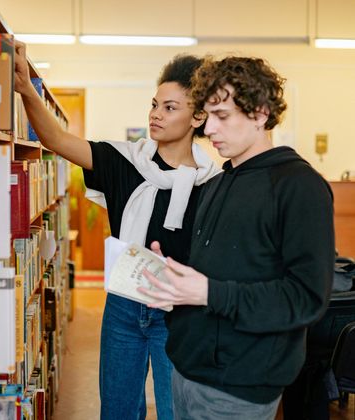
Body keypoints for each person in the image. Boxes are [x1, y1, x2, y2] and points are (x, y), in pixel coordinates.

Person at [14, 42, 219, 420]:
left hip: (179, 314)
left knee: (178, 411)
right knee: (118, 410)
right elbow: (55, 141)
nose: (156, 115)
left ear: (198, 117)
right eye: (154, 104)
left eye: (170, 107)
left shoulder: (213, 186)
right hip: (124, 307)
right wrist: (27, 90)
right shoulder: (125, 160)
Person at [139, 55, 335, 420]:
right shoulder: (216, 183)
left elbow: (306, 298)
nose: (209, 129)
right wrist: (170, 275)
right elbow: (219, 268)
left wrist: (207, 292)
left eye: (222, 116)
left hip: (239, 383)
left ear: (260, 113)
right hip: (185, 368)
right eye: (207, 115)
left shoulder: (300, 187)